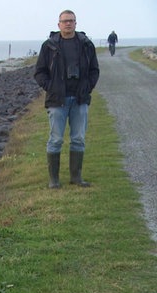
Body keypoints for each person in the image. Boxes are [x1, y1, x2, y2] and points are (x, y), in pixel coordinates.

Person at [34, 9, 100, 188]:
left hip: (79, 99)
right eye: (64, 21)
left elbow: (94, 70)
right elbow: (39, 72)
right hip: (57, 101)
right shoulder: (48, 46)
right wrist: (50, 87)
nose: (68, 23)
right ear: (59, 24)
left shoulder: (86, 44)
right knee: (55, 139)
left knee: (78, 138)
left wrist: (88, 87)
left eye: (71, 20)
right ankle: (53, 180)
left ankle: (76, 177)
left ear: (76, 23)